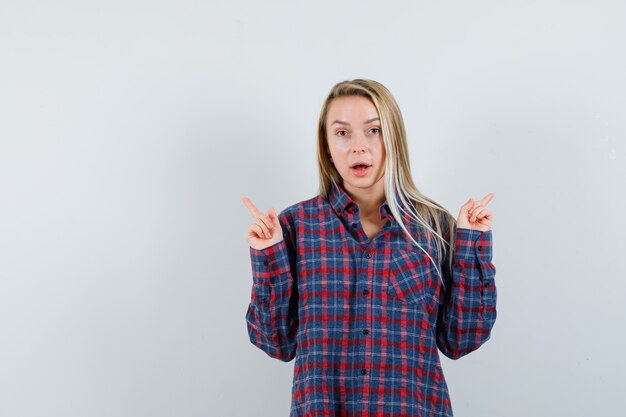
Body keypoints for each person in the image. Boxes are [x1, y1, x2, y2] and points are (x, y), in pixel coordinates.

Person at [242, 79, 497, 417]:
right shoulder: (294, 227)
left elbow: (460, 340)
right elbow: (276, 343)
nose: (358, 147)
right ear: (327, 146)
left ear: (393, 138)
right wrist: (269, 255)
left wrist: (471, 244)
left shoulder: (434, 227)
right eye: (343, 133)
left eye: (373, 130)